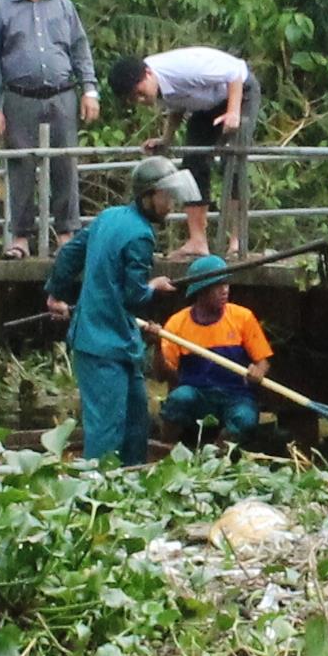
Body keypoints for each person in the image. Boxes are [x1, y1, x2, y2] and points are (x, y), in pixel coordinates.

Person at [45, 156, 191, 465]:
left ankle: (132, 480)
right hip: (102, 344)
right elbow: (134, 295)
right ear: (147, 196)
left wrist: (55, 293)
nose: (170, 204)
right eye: (165, 197)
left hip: (120, 341)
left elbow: (69, 254)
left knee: (137, 421)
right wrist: (153, 286)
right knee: (106, 430)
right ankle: (96, 485)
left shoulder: (109, 216)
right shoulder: (141, 236)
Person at [0, 0, 100, 258]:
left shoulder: (63, 5)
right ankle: (20, 237)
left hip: (62, 95)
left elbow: (80, 48)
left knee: (65, 164)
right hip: (20, 97)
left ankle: (67, 234)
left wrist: (89, 89)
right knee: (21, 164)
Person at [108, 47, 258, 260]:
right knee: (193, 162)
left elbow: (234, 72)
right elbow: (177, 106)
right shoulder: (156, 87)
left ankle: (237, 241)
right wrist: (166, 139)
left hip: (239, 92)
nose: (141, 100)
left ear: (148, 73)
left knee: (232, 161)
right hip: (206, 106)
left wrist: (233, 112)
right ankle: (197, 241)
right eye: (134, 99)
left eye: (140, 93)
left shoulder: (183, 68)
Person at [157, 255, 273, 441]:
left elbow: (263, 362)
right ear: (201, 290)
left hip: (236, 395)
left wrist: (258, 371)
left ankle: (217, 454)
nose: (225, 290)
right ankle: (165, 447)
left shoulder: (242, 317)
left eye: (226, 283)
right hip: (197, 393)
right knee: (179, 399)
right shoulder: (177, 323)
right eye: (217, 285)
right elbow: (162, 375)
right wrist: (157, 344)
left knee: (244, 419)